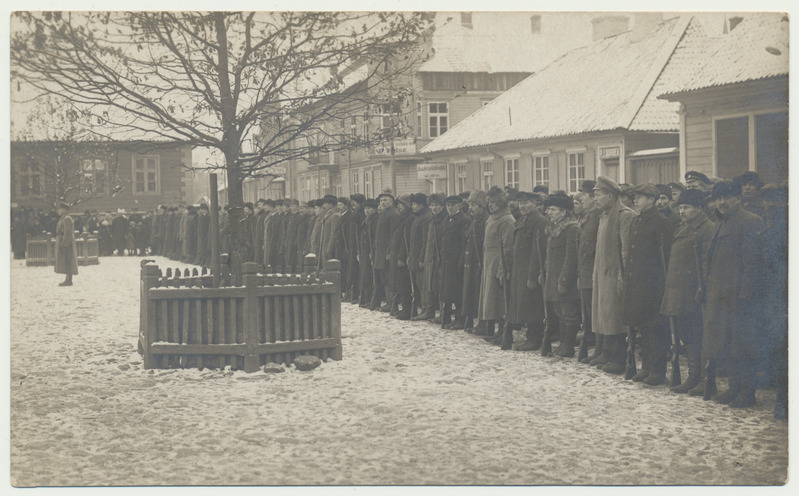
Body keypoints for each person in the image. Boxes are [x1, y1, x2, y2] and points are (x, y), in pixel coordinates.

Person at [701, 179, 764, 408]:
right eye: (718, 198)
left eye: (727, 197)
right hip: (720, 295)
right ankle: (734, 388)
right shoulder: (719, 223)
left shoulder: (749, 221)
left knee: (743, 345)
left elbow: (752, 263)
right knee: (727, 343)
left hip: (740, 297)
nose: (722, 202)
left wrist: (746, 296)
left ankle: (747, 393)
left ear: (738, 198)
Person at [660, 189, 715, 394]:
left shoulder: (706, 229)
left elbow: (706, 262)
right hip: (679, 291)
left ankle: (702, 378)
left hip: (694, 292)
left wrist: (703, 289)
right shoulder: (684, 227)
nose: (682, 211)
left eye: (686, 207)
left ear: (699, 208)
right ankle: (693, 376)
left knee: (698, 334)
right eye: (680, 207)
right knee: (688, 335)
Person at [623, 184, 673, 386]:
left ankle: (658, 370)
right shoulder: (637, 220)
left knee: (656, 328)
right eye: (635, 197)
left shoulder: (661, 222)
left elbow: (665, 256)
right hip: (638, 282)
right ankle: (646, 366)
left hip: (654, 283)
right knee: (643, 326)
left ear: (652, 200)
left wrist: (661, 283)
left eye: (640, 197)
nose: (635, 200)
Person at [591, 176, 636, 374]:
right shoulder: (604, 215)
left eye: (598, 195)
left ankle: (618, 359)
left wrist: (622, 275)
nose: (595, 199)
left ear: (610, 196)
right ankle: (608, 354)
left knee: (615, 317)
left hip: (615, 273)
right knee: (604, 315)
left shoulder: (625, 215)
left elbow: (626, 249)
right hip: (602, 273)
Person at [503, 191, 547, 350]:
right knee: (522, 304)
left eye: (526, 203)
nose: (522, 206)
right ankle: (528, 336)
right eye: (520, 203)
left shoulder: (540, 223)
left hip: (530, 271)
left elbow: (538, 252)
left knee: (533, 306)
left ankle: (534, 338)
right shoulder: (521, 221)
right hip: (518, 271)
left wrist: (533, 276)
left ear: (535, 205)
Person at [540, 192, 580, 357]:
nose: (549, 212)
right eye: (548, 209)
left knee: (569, 313)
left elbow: (572, 258)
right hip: (553, 278)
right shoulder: (553, 228)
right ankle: (563, 344)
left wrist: (564, 280)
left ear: (563, 212)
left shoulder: (571, 229)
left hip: (564, 280)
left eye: (553, 209)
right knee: (559, 312)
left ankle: (568, 346)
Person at [477, 186, 515, 342]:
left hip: (499, 261)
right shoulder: (492, 218)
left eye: (493, 202)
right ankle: (495, 330)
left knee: (500, 298)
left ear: (501, 203)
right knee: (491, 298)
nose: (490, 205)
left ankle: (504, 332)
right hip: (489, 261)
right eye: (488, 202)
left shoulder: (506, 220)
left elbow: (507, 247)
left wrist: (503, 268)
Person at [574, 180, 601, 363]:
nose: (581, 198)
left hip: (593, 274)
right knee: (589, 315)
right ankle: (595, 347)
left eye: (584, 195)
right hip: (584, 273)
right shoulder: (589, 217)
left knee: (596, 314)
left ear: (593, 197)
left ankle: (599, 349)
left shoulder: (598, 217)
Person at [439, 195, 470, 329]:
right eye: (448, 205)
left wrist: (461, 261)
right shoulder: (446, 220)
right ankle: (446, 317)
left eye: (452, 204)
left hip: (456, 260)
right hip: (446, 260)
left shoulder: (464, 220)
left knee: (458, 291)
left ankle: (460, 319)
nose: (450, 207)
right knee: (447, 290)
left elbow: (464, 243)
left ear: (459, 206)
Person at [461, 190, 489, 334]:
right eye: (470, 204)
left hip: (479, 262)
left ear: (482, 206)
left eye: (474, 205)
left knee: (480, 292)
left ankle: (483, 324)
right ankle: (473, 320)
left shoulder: (484, 221)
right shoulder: (475, 220)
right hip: (471, 261)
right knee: (471, 291)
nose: (470, 208)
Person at [417, 193, 446, 322]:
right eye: (432, 205)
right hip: (430, 257)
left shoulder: (444, 220)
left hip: (440, 258)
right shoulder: (431, 220)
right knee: (428, 284)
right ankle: (429, 311)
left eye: (437, 205)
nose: (434, 208)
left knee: (441, 286)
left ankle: (443, 312)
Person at [407, 193, 432, 319]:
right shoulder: (418, 217)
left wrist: (422, 258)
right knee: (419, 283)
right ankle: (423, 308)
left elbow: (424, 240)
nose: (413, 207)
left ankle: (427, 309)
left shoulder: (426, 218)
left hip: (421, 257)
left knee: (424, 284)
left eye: (415, 204)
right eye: (412, 204)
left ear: (422, 204)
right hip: (415, 256)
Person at [54, 202, 78, 286]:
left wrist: (64, 244)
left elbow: (67, 233)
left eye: (60, 209)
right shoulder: (63, 218)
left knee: (68, 260)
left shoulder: (67, 219)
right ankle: (68, 279)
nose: (58, 211)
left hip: (67, 243)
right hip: (64, 241)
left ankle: (68, 280)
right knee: (66, 260)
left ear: (64, 209)